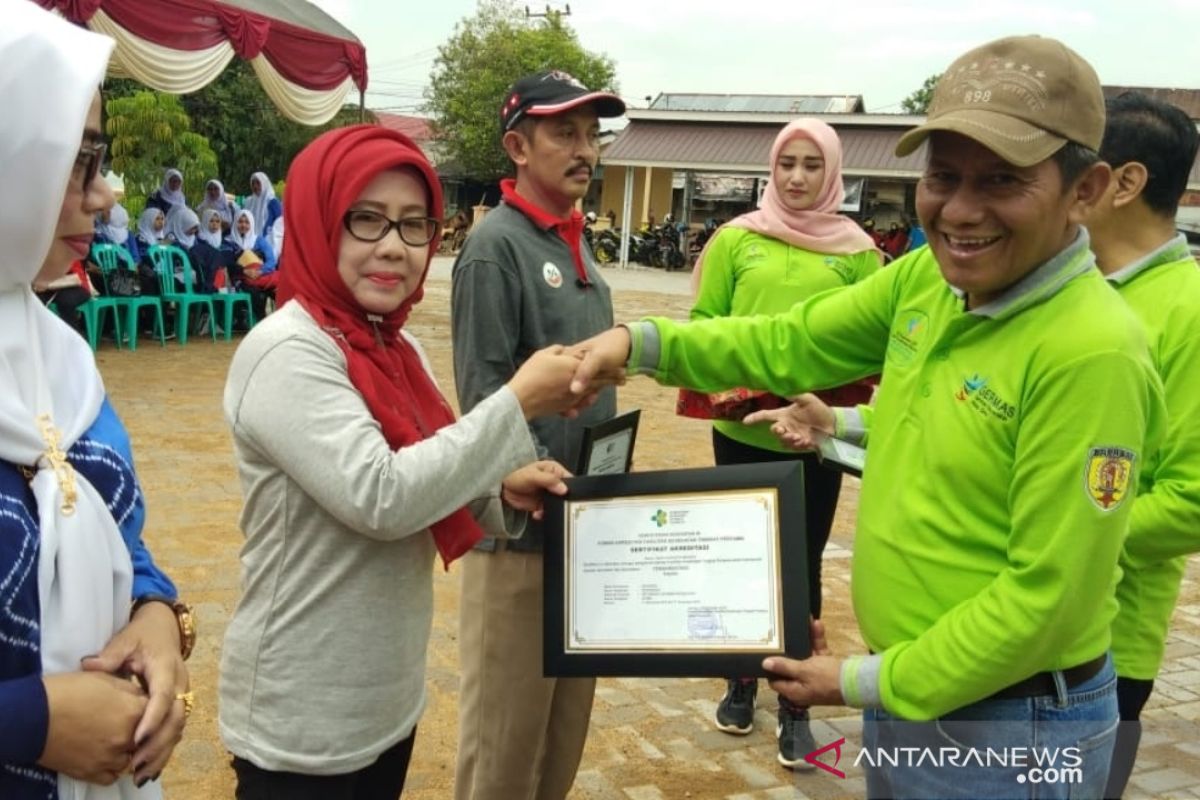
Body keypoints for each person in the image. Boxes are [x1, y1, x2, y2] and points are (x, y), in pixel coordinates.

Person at [569, 35, 1166, 798]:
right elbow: (792, 339)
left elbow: (1048, 603)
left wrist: (855, 679)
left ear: (1086, 188)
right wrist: (640, 341)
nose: (960, 209)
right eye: (943, 177)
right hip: (915, 692)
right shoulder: (929, 278)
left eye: (1002, 181)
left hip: (1014, 725)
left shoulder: (1091, 352)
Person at [218, 124, 592, 800]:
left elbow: (432, 474)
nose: (393, 246)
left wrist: (501, 492)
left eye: (414, 225)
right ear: (316, 221)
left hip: (383, 701)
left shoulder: (396, 350)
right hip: (301, 717)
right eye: (365, 220)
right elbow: (381, 496)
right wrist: (514, 405)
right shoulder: (287, 353)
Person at [0, 4, 193, 797]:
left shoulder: (59, 355)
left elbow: (121, 538)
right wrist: (29, 723)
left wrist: (158, 618)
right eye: (79, 162)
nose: (107, 195)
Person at [450, 69, 625, 800]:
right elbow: (483, 399)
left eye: (591, 134)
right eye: (564, 132)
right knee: (503, 753)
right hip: (521, 539)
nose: (584, 150)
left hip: (584, 534)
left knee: (559, 746)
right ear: (517, 145)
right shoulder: (497, 249)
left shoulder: (579, 245)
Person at [688, 118, 880, 768]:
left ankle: (795, 701)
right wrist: (741, 398)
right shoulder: (735, 240)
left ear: (834, 174)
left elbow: (870, 348)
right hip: (739, 430)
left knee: (800, 563)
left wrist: (817, 411)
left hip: (813, 439)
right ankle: (742, 675)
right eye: (787, 164)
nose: (797, 177)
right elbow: (704, 326)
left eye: (811, 165)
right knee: (739, 558)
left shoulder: (858, 254)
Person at [1085, 92, 1200, 799]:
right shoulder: (1071, 288)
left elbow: (1192, 501)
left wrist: (1059, 541)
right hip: (1014, 623)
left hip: (1107, 647)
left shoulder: (1187, 311)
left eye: (1071, 162)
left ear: (1123, 183)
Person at [224, 208, 278, 320]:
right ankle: (262, 323)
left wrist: (260, 271)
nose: (243, 225)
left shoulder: (258, 240)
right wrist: (244, 271)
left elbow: (271, 261)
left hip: (260, 276)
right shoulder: (228, 242)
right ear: (235, 223)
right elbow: (228, 262)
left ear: (252, 224)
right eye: (240, 221)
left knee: (279, 290)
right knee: (254, 292)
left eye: (247, 222)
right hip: (239, 278)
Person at [243, 171, 283, 239]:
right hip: (249, 241)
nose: (255, 186)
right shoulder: (249, 202)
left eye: (258, 183)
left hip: (269, 242)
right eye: (253, 183)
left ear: (264, 184)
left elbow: (280, 223)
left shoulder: (272, 202)